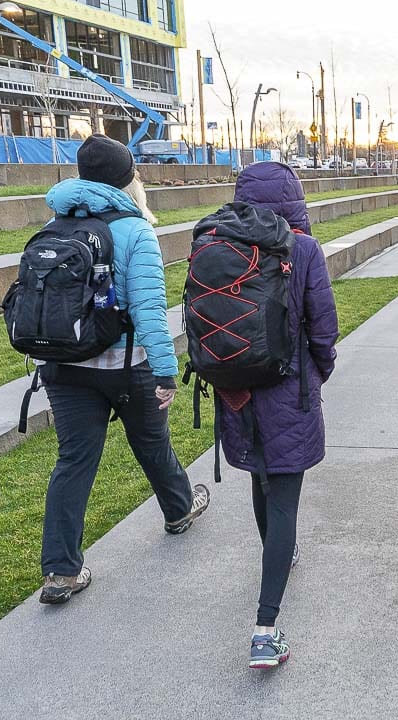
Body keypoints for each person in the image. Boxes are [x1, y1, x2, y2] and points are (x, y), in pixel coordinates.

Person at [38, 135, 209, 604]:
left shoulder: (56, 221)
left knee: (73, 461)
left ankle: (60, 571)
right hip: (125, 363)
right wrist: (165, 371)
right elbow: (151, 310)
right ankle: (178, 511)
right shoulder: (135, 230)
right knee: (152, 443)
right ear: (128, 177)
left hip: (65, 364)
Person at [215, 162, 339, 669]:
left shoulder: (217, 241)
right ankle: (265, 630)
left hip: (236, 389)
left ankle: (277, 552)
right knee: (284, 495)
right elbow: (324, 330)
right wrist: (317, 371)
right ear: (295, 201)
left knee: (261, 477)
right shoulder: (303, 249)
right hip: (289, 389)